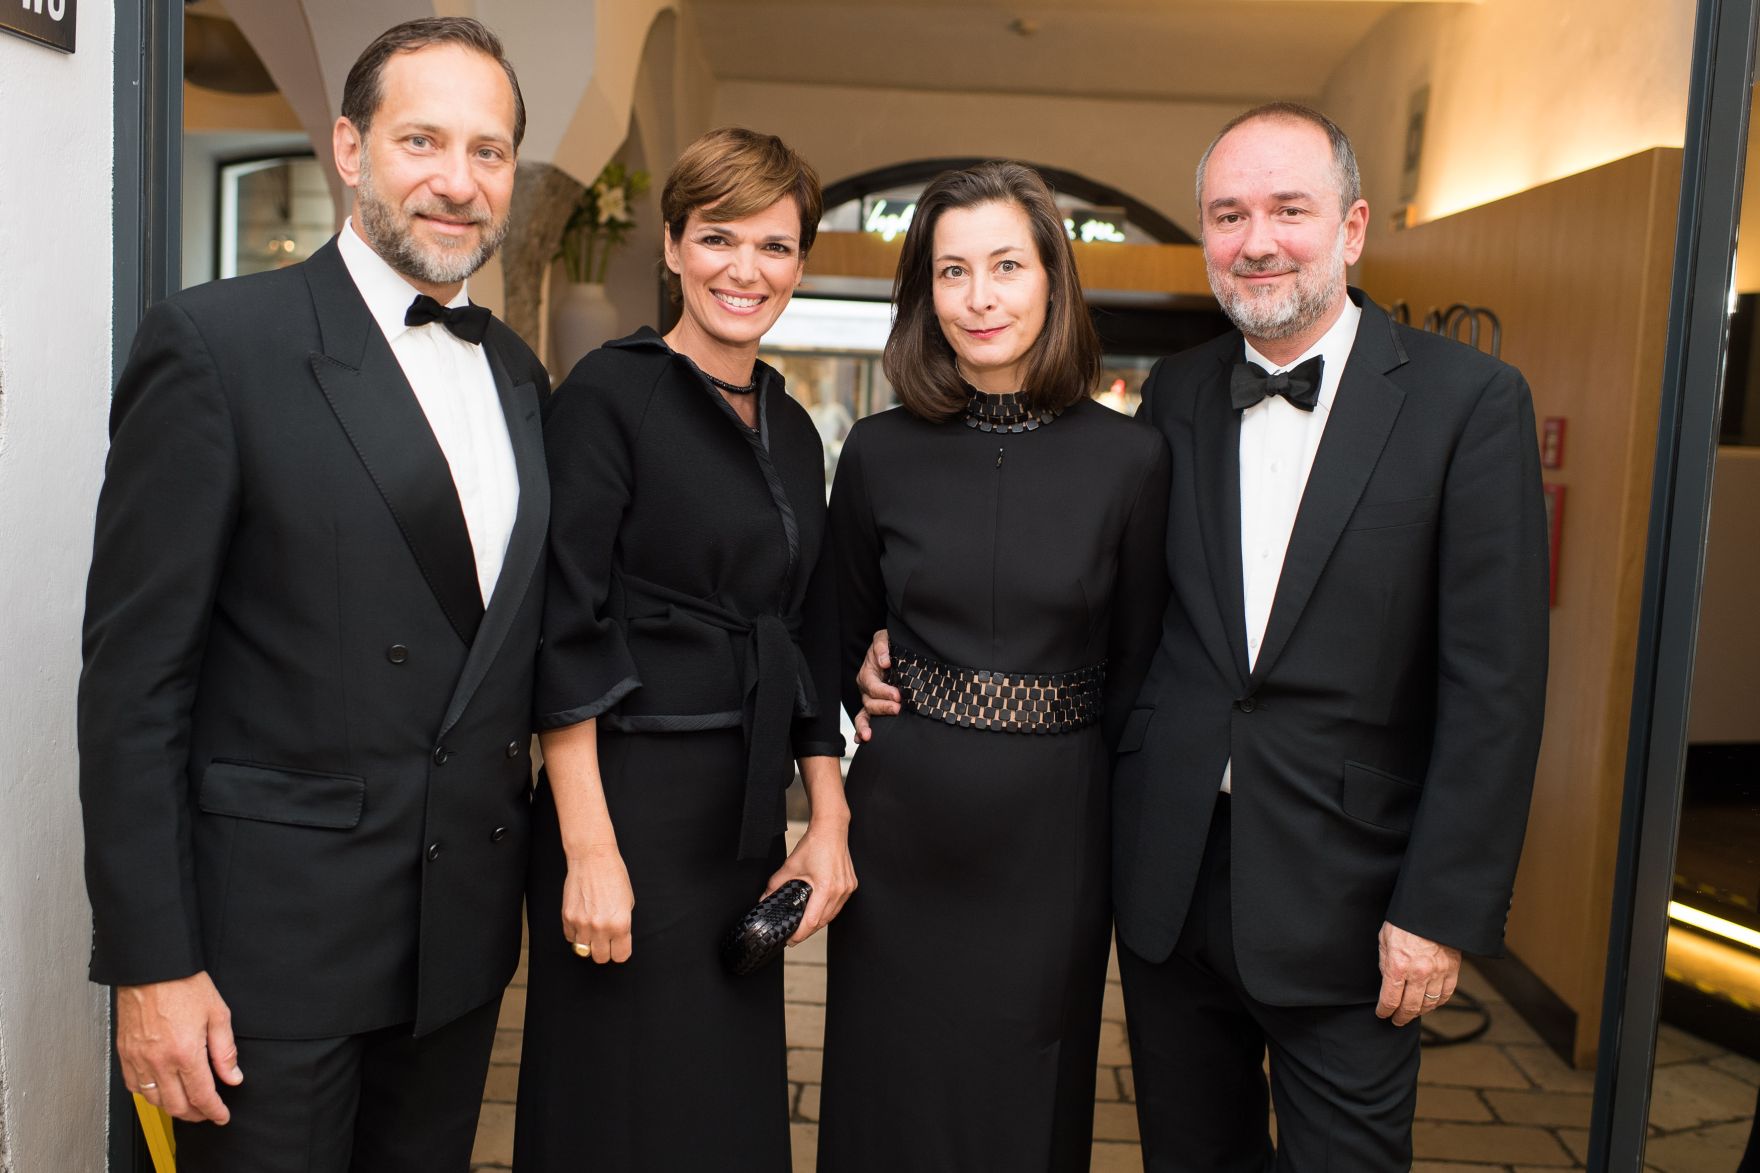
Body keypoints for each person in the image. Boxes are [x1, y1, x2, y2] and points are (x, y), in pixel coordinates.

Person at [858, 103, 1549, 1168]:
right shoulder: (1174, 396)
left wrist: (1438, 909)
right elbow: (1107, 608)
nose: (1256, 240)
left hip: (1350, 898)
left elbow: (1493, 687)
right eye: (1227, 215)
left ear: (1353, 227)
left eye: (1288, 210)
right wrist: (898, 648)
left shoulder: (1469, 404)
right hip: (1168, 885)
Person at [78, 18, 547, 1171]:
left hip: (454, 949)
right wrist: (152, 964)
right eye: (422, 140)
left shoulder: (520, 375)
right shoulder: (215, 344)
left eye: (487, 152)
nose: (457, 181)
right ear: (348, 148)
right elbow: (134, 682)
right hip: (262, 965)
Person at [817, 161, 1171, 1172]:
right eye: (951, 271)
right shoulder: (879, 453)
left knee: (1028, 1099)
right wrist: (867, 671)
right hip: (900, 833)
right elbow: (835, 633)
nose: (980, 297)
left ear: (1051, 279)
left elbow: (1140, 665)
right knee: (887, 1092)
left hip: (1053, 840)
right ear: (923, 295)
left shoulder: (1130, 460)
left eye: (1005, 266)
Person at [514, 127, 855, 1172]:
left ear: (799, 262)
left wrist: (827, 819)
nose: (743, 270)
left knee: (719, 1111)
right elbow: (560, 623)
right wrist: (589, 850)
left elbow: (794, 632)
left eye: (774, 246)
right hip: (624, 802)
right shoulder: (607, 397)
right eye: (717, 238)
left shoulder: (791, 428)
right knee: (615, 1108)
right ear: (669, 247)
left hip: (738, 817)